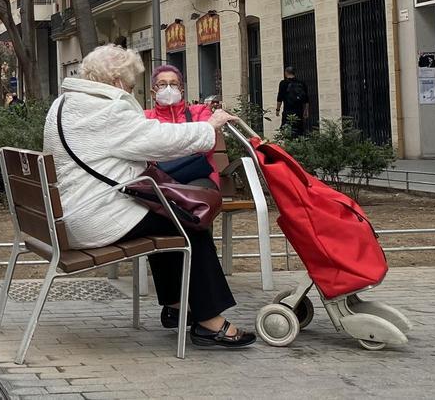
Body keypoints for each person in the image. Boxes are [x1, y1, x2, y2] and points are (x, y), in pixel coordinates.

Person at [43, 45, 255, 348]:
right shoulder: (106, 109)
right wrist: (208, 127)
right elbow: (158, 141)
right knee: (189, 222)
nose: (131, 90)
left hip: (74, 213)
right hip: (95, 217)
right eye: (130, 84)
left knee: (165, 215)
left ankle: (177, 305)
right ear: (116, 81)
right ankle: (209, 323)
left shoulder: (65, 104)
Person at [144, 65, 220, 186]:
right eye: (162, 84)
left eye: (174, 84)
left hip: (197, 176)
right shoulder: (145, 118)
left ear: (181, 91)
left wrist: (164, 145)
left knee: (198, 193)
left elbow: (207, 147)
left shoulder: (200, 111)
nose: (168, 88)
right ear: (153, 93)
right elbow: (145, 150)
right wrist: (192, 139)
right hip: (159, 179)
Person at [276, 66, 310, 137]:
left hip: (288, 111)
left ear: (286, 73)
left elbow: (280, 98)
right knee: (299, 131)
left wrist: (277, 109)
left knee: (286, 131)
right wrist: (306, 111)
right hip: (299, 112)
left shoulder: (283, 83)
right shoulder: (301, 83)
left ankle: (289, 145)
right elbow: (306, 99)